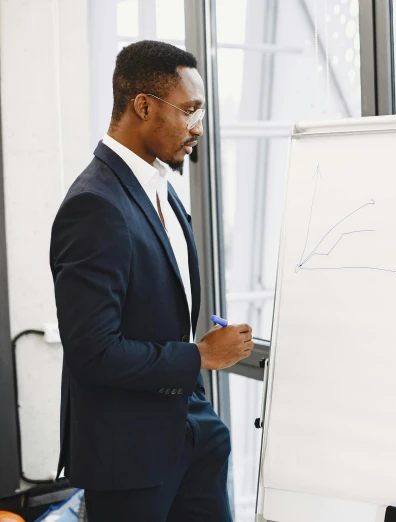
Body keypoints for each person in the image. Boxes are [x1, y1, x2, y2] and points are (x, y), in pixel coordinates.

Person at [49, 40, 252, 521]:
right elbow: (92, 352)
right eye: (189, 111)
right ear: (143, 105)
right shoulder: (94, 205)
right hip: (130, 459)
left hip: (193, 436)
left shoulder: (158, 186)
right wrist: (200, 356)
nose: (197, 127)